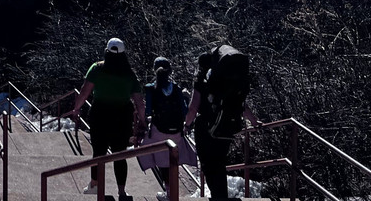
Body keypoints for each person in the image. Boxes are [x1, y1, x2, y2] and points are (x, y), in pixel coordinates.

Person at [71, 37, 147, 199]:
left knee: (98, 152)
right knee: (119, 153)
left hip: (100, 114)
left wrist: (76, 109)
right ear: (123, 54)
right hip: (122, 116)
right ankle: (121, 191)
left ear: (106, 51)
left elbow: (85, 91)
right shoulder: (129, 73)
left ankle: (94, 185)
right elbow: (139, 102)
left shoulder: (97, 68)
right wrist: (142, 120)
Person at [184, 45, 259, 200]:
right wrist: (254, 121)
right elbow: (240, 104)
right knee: (219, 162)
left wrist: (185, 125)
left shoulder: (201, 80)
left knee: (208, 164)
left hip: (206, 126)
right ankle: (221, 196)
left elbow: (193, 108)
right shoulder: (223, 82)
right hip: (227, 125)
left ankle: (219, 197)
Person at [138, 56, 195, 200]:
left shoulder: (151, 88)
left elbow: (149, 111)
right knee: (172, 160)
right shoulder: (177, 89)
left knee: (156, 157)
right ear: (170, 71)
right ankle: (172, 191)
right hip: (176, 131)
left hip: (159, 130)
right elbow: (184, 110)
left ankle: (169, 193)